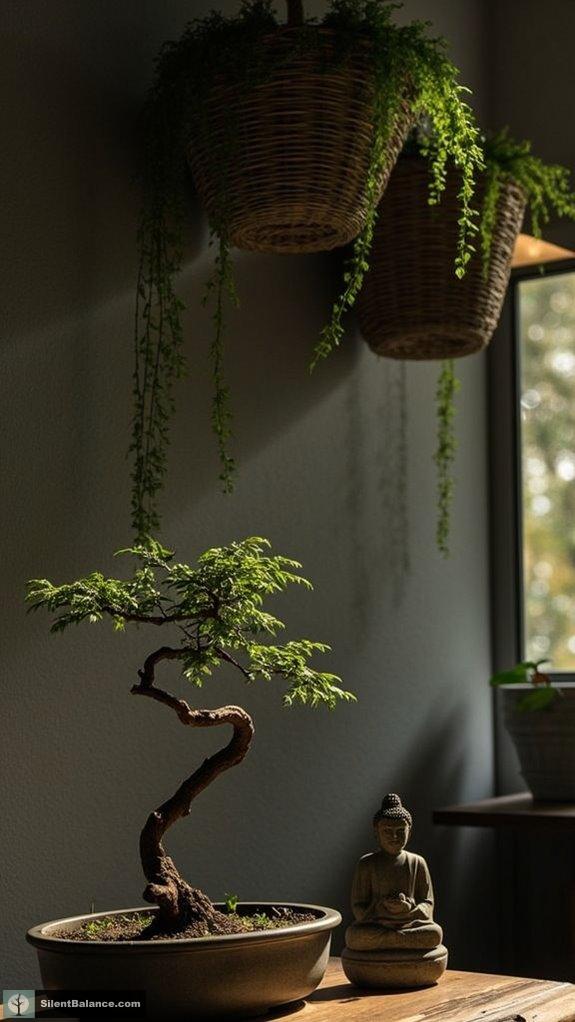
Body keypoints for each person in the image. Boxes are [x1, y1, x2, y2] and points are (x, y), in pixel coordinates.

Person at [345, 793, 443, 952]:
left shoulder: (417, 862)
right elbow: (358, 907)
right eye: (387, 831)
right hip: (378, 924)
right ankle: (398, 940)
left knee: (434, 934)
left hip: (410, 923)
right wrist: (380, 907)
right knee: (354, 936)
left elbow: (427, 903)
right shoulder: (367, 864)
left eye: (400, 831)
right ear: (376, 833)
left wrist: (408, 908)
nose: (394, 836)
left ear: (409, 832)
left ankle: (392, 939)